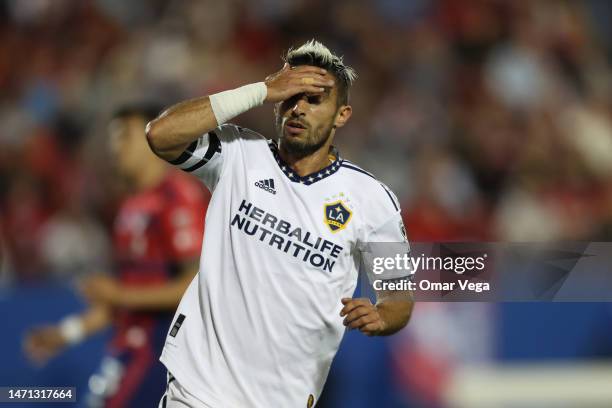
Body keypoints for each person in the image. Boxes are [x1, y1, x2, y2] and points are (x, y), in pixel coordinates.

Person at [146, 40, 413, 408]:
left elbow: (399, 293)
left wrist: (382, 316)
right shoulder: (237, 155)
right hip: (199, 389)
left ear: (342, 115)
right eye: (290, 98)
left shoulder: (373, 201)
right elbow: (160, 135)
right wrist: (261, 90)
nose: (298, 109)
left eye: (314, 100)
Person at [24, 105, 210, 408]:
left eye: (124, 136)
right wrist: (67, 333)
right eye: (112, 139)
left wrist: (119, 293)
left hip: (161, 352)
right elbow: (125, 298)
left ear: (152, 138)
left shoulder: (178, 197)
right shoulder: (130, 207)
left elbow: (197, 284)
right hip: (128, 347)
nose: (114, 148)